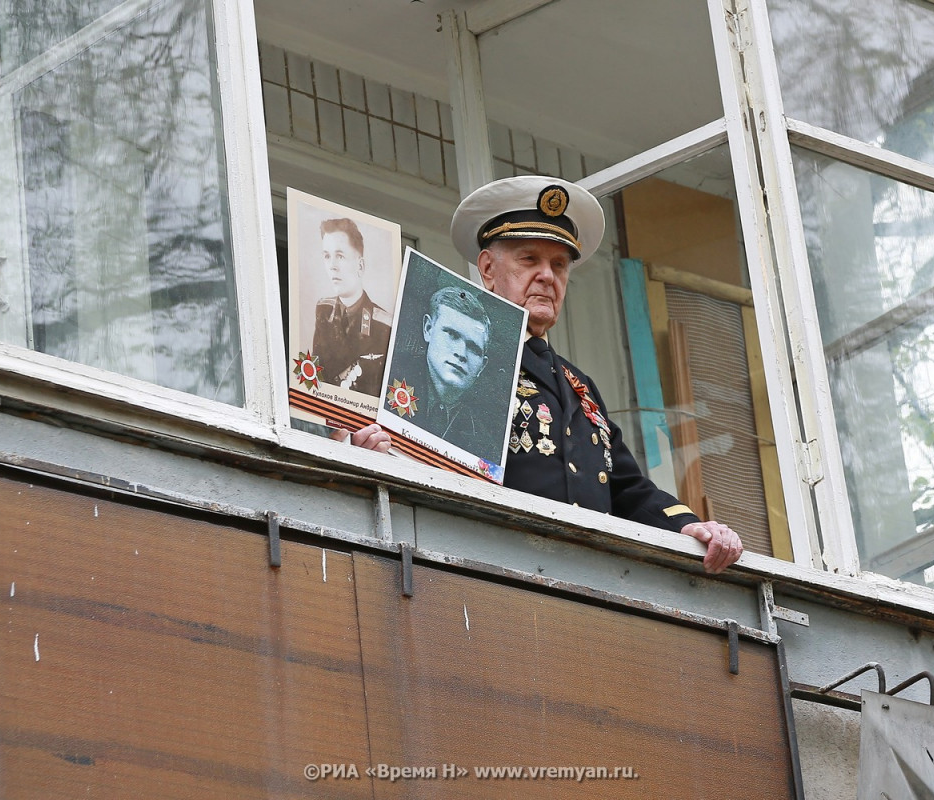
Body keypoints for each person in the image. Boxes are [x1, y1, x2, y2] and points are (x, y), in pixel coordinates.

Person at [343, 176, 743, 574]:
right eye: (529, 259)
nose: (547, 276)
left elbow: (624, 487)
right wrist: (368, 456)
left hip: (589, 586)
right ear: (487, 268)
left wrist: (688, 524)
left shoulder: (579, 385)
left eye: (559, 265)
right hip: (488, 574)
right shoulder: (455, 360)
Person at [389, 286, 494, 458]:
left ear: (482, 367)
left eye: (474, 349)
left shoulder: (484, 443)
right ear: (428, 329)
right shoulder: (386, 376)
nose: (461, 353)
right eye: (452, 334)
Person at [311, 217, 391, 396]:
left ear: (360, 266)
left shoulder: (384, 325)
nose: (332, 266)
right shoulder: (323, 310)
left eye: (340, 256)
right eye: (327, 256)